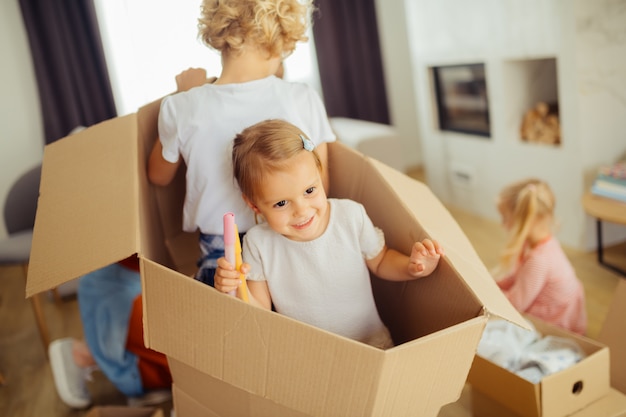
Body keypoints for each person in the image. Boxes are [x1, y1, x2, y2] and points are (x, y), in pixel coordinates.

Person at [148, 0, 335, 287]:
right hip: (291, 240)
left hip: (223, 256)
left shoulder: (183, 105)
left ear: (218, 31)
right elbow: (320, 183)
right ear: (283, 34)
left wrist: (182, 94)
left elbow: (158, 176)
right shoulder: (302, 97)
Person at [214, 119, 444, 348]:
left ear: (320, 174)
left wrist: (413, 268)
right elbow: (261, 311)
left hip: (372, 345)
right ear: (254, 205)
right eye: (282, 203)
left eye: (310, 191)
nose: (302, 211)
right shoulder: (258, 244)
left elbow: (382, 260)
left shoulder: (350, 216)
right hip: (310, 360)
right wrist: (235, 289)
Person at [492, 178, 587, 335]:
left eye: (505, 218)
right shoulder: (538, 241)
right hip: (545, 302)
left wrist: (488, 295)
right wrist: (494, 284)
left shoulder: (539, 261)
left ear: (525, 221)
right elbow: (518, 277)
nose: (502, 224)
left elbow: (516, 304)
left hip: (553, 322)